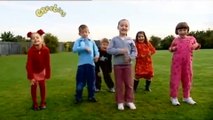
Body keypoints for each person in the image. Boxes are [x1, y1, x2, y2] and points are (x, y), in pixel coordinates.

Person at [107, 19, 137, 110]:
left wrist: (131, 57)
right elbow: (109, 50)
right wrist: (120, 51)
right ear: (118, 27)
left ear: (128, 28)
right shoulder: (114, 39)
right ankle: (120, 102)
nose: (124, 27)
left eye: (126, 26)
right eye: (122, 25)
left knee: (129, 84)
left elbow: (135, 51)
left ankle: (129, 101)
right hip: (117, 65)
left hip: (128, 65)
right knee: (119, 84)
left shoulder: (130, 40)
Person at [169, 22, 201, 106]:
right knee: (175, 80)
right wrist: (173, 48)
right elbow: (170, 48)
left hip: (187, 64)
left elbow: (197, 45)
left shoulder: (192, 38)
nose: (182, 32)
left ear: (187, 30)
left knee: (187, 80)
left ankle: (186, 97)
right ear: (177, 31)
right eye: (180, 30)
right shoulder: (175, 39)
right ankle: (174, 97)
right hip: (176, 64)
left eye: (184, 30)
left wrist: (197, 45)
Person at [72, 24, 99, 104]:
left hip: (91, 65)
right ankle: (78, 97)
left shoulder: (92, 41)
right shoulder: (78, 41)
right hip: (81, 65)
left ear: (89, 32)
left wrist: (97, 56)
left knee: (91, 82)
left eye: (86, 32)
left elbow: (96, 51)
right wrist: (84, 48)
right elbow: (74, 50)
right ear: (79, 33)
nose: (85, 34)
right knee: (80, 82)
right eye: (83, 32)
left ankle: (91, 96)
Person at [26, 29, 51, 111]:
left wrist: (47, 74)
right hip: (33, 71)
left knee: (42, 86)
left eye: (37, 37)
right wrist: (31, 77)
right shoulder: (30, 51)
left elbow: (47, 63)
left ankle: (43, 102)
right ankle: (35, 103)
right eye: (33, 38)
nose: (35, 39)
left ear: (41, 39)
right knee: (33, 87)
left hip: (42, 71)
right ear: (32, 41)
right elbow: (28, 65)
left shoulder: (46, 50)